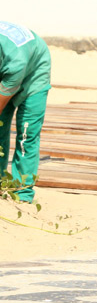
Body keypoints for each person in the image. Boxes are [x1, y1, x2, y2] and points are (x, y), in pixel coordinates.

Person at [0, 21, 51, 203]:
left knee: (26, 134)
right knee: (0, 129)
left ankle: (22, 192)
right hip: (6, 68)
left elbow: (2, 99)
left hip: (34, 73)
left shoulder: (15, 61)